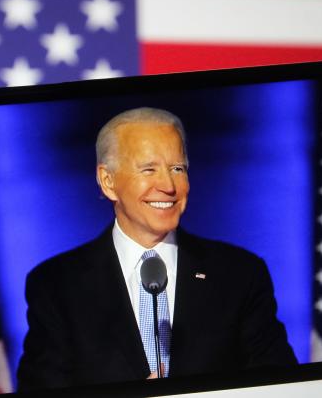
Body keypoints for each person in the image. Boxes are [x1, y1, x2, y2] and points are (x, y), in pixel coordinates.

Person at [16, 107, 296, 391]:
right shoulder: (56, 285)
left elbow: (281, 384)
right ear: (108, 181)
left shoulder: (239, 275)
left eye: (178, 169)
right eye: (149, 169)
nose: (168, 186)